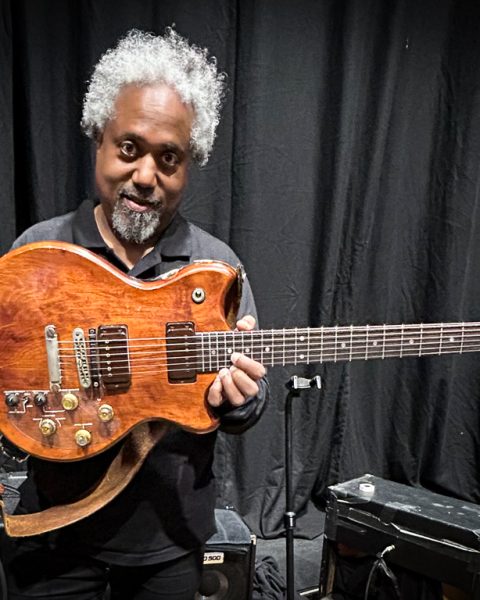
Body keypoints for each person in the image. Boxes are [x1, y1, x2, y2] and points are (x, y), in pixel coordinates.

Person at [1, 29, 268, 600]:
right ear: (99, 139)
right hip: (53, 535)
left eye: (168, 159)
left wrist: (243, 396)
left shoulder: (215, 268)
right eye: (129, 149)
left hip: (169, 542)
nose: (146, 176)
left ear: (188, 165)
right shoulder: (39, 253)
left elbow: (246, 408)